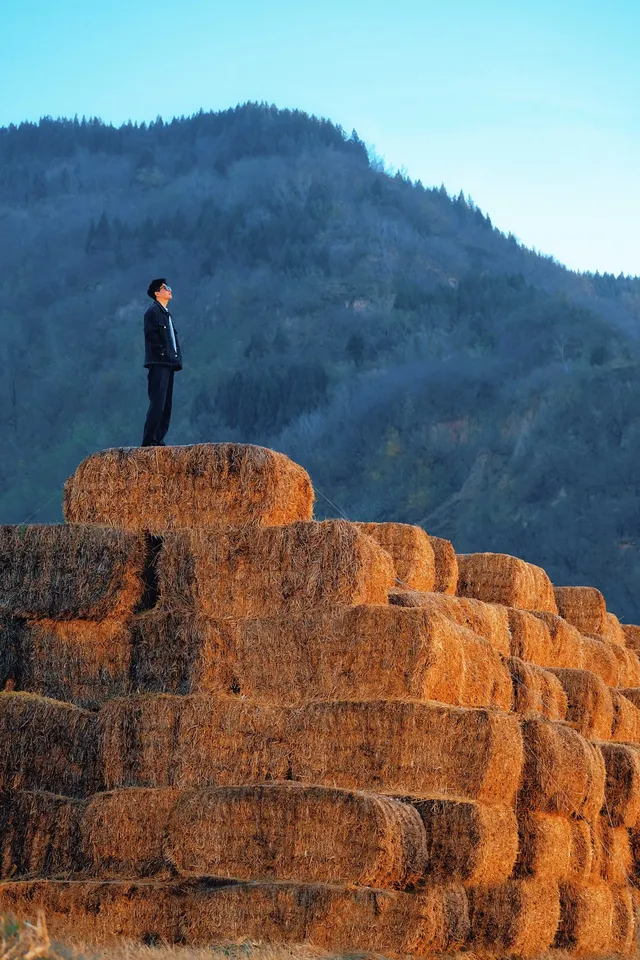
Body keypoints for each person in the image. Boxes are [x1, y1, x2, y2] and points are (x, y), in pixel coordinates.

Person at [141, 278, 183, 447]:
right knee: (157, 402)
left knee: (166, 404)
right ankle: (149, 441)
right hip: (159, 363)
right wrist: (164, 354)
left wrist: (175, 359)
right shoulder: (152, 313)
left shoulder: (167, 315)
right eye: (166, 288)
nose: (169, 290)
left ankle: (159, 439)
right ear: (157, 293)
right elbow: (152, 337)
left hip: (169, 364)